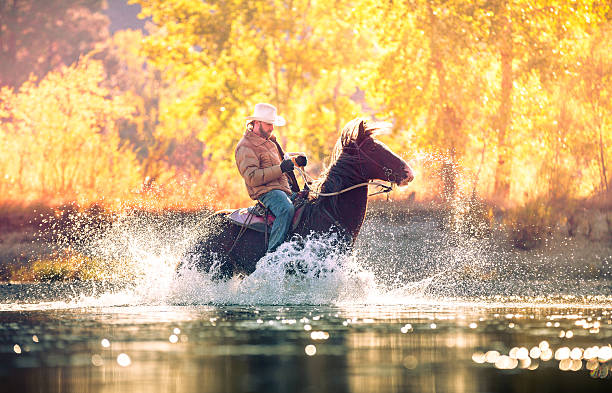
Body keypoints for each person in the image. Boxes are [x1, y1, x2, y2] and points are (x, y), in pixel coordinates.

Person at [235, 103, 299, 253]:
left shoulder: (270, 142)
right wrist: (281, 168)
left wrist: (295, 162)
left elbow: (278, 165)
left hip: (283, 190)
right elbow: (252, 177)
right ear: (257, 123)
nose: (272, 128)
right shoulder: (245, 146)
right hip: (266, 192)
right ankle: (273, 257)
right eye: (269, 124)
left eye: (273, 124)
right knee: (286, 209)